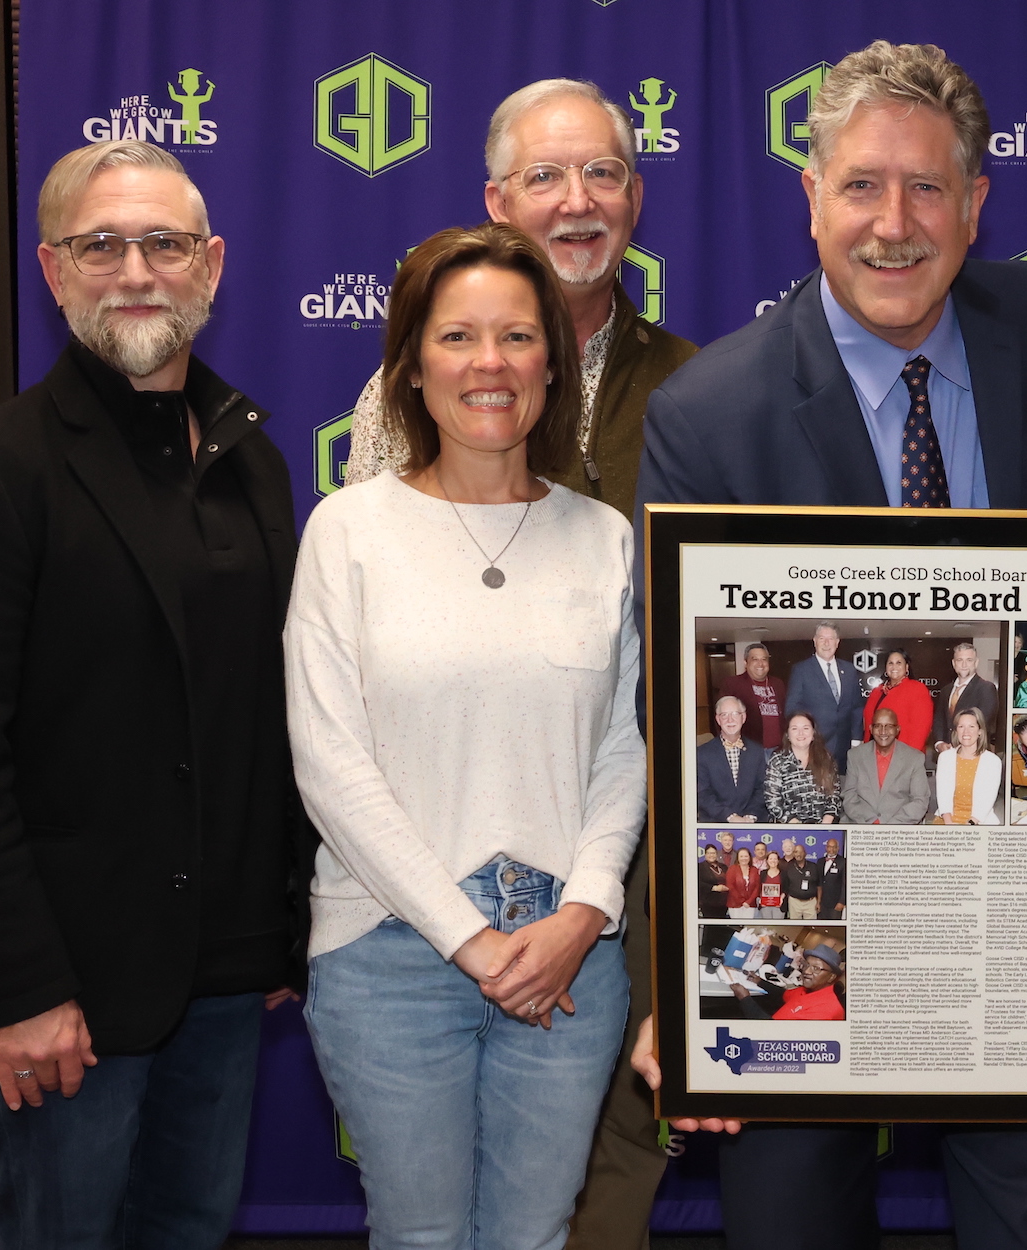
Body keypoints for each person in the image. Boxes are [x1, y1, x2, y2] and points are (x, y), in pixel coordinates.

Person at [635, 40, 1027, 1250]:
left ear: (978, 203)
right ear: (811, 195)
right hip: (809, 905)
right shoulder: (707, 413)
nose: (896, 224)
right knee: (790, 1227)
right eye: (863, 186)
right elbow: (677, 706)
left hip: (1020, 900)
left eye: (929, 188)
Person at [0, 140, 313, 1247]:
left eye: (164, 244)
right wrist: (18, 984)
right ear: (53, 268)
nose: (136, 270)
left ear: (210, 265)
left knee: (187, 1231)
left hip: (224, 975)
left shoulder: (252, 461)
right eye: (102, 245)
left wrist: (274, 924)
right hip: (63, 986)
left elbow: (267, 710)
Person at [285, 222, 642, 1248]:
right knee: (422, 1235)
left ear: (552, 362)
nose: (489, 363)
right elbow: (330, 762)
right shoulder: (347, 531)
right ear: (409, 364)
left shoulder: (605, 537)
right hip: (390, 948)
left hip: (569, 954)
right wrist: (471, 938)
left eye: (518, 337)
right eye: (457, 337)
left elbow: (628, 746)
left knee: (534, 1233)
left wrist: (582, 912)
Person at [339, 78, 696, 515]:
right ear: (500, 205)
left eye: (601, 173)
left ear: (634, 199)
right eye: (544, 177)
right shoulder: (422, 390)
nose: (578, 202)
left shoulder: (695, 385)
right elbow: (371, 548)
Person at [785, 624, 866, 768]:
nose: (826, 643)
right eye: (822, 638)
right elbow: (792, 709)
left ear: (837, 642)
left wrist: (856, 739)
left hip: (844, 748)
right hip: (813, 746)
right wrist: (801, 739)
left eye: (831, 639)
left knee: (844, 788)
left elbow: (856, 707)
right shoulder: (801, 670)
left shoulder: (849, 670)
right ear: (815, 641)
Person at [843, 708, 934, 826]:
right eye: (878, 726)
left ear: (897, 730)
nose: (883, 731)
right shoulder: (855, 756)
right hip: (860, 825)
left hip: (898, 829)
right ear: (870, 729)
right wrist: (869, 824)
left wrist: (889, 827)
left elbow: (920, 801)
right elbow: (849, 796)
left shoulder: (914, 758)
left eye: (889, 726)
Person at [696, 695, 771, 822]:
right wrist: (730, 816)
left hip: (752, 821)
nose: (730, 719)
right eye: (724, 715)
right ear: (718, 720)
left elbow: (762, 788)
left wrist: (750, 815)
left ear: (744, 717)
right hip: (716, 822)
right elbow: (702, 793)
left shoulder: (756, 751)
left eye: (735, 714)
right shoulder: (702, 753)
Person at [766, 710, 843, 824]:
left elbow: (834, 795)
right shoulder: (777, 761)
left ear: (813, 734)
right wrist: (795, 824)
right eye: (795, 729)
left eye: (806, 728)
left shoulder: (826, 758)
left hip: (823, 825)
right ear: (787, 735)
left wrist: (827, 820)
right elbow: (772, 800)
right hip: (788, 827)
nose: (800, 733)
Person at [929, 640, 1003, 754]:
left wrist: (957, 746)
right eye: (960, 660)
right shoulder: (945, 691)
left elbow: (983, 723)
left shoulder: (986, 688)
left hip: (975, 754)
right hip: (946, 755)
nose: (964, 665)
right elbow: (939, 719)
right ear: (954, 663)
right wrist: (939, 743)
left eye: (969, 660)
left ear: (976, 663)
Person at [933, 707, 1003, 824]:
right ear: (956, 731)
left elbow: (987, 800)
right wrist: (949, 823)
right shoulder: (945, 758)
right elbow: (942, 795)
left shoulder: (992, 761)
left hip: (978, 822)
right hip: (946, 820)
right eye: (961, 727)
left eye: (971, 726)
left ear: (980, 731)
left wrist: (969, 824)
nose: (966, 732)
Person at [860, 648, 935, 756]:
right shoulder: (876, 692)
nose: (894, 666)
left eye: (899, 663)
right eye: (890, 663)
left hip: (904, 757)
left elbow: (921, 730)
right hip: (875, 756)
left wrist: (908, 758)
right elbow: (868, 727)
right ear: (886, 667)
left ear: (906, 667)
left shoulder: (917, 689)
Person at [719, 641, 787, 749]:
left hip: (778, 749)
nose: (760, 664)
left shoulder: (778, 684)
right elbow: (721, 716)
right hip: (749, 748)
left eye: (764, 659)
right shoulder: (733, 684)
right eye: (755, 659)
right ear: (746, 663)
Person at [771, 945, 848, 1022]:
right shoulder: (807, 989)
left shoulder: (826, 1010)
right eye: (806, 965)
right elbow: (784, 995)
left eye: (816, 968)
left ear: (831, 977)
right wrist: (760, 981)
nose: (806, 971)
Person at [782, 842, 824, 920]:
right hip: (794, 902)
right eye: (796, 852)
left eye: (801, 852)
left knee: (811, 926)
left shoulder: (814, 867)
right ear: (793, 854)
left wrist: (818, 902)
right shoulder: (788, 867)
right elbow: (785, 885)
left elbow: (819, 885)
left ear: (805, 853)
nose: (799, 854)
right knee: (795, 927)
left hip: (811, 902)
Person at [725, 847, 761, 920]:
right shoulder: (732, 869)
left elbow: (757, 887)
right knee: (737, 928)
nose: (743, 858)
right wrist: (742, 901)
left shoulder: (754, 870)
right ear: (737, 858)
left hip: (750, 905)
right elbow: (730, 886)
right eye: (741, 856)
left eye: (746, 856)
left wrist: (748, 901)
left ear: (749, 857)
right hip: (735, 904)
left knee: (748, 928)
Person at [698, 844, 730, 920]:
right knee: (710, 929)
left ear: (716, 854)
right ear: (705, 854)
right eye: (709, 853)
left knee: (721, 928)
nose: (711, 855)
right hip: (708, 903)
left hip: (723, 903)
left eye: (713, 853)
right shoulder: (700, 867)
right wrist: (714, 888)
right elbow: (697, 883)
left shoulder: (723, 867)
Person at [819, 838, 848, 921]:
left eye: (834, 847)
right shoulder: (820, 861)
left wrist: (842, 902)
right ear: (826, 848)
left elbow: (845, 884)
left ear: (838, 848)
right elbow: (819, 882)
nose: (831, 849)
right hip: (823, 903)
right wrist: (818, 902)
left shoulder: (843, 862)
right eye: (829, 847)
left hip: (836, 903)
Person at [756, 850, 787, 920]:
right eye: (771, 859)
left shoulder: (784, 874)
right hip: (765, 906)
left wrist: (781, 898)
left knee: (778, 928)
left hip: (779, 906)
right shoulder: (762, 873)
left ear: (778, 860)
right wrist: (761, 900)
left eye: (775, 859)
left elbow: (786, 888)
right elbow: (759, 888)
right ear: (767, 860)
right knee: (767, 927)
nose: (773, 861)